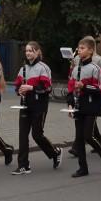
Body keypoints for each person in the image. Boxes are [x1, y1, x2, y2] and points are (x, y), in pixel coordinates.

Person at [12, 41, 62, 174]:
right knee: (23, 135)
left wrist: (32, 88)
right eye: (26, 51)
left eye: (31, 51)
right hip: (25, 105)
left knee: (37, 135)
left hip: (39, 105)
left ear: (37, 52)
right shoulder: (22, 68)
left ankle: (55, 152)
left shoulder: (43, 68)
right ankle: (23, 165)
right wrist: (19, 91)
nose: (28, 53)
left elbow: (48, 88)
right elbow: (17, 86)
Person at [68, 36, 101, 177]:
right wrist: (70, 105)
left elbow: (100, 88)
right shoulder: (75, 69)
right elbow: (70, 89)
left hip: (92, 105)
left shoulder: (95, 68)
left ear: (90, 51)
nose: (79, 51)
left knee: (88, 136)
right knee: (79, 138)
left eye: (82, 48)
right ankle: (83, 168)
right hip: (79, 105)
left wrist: (84, 86)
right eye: (78, 48)